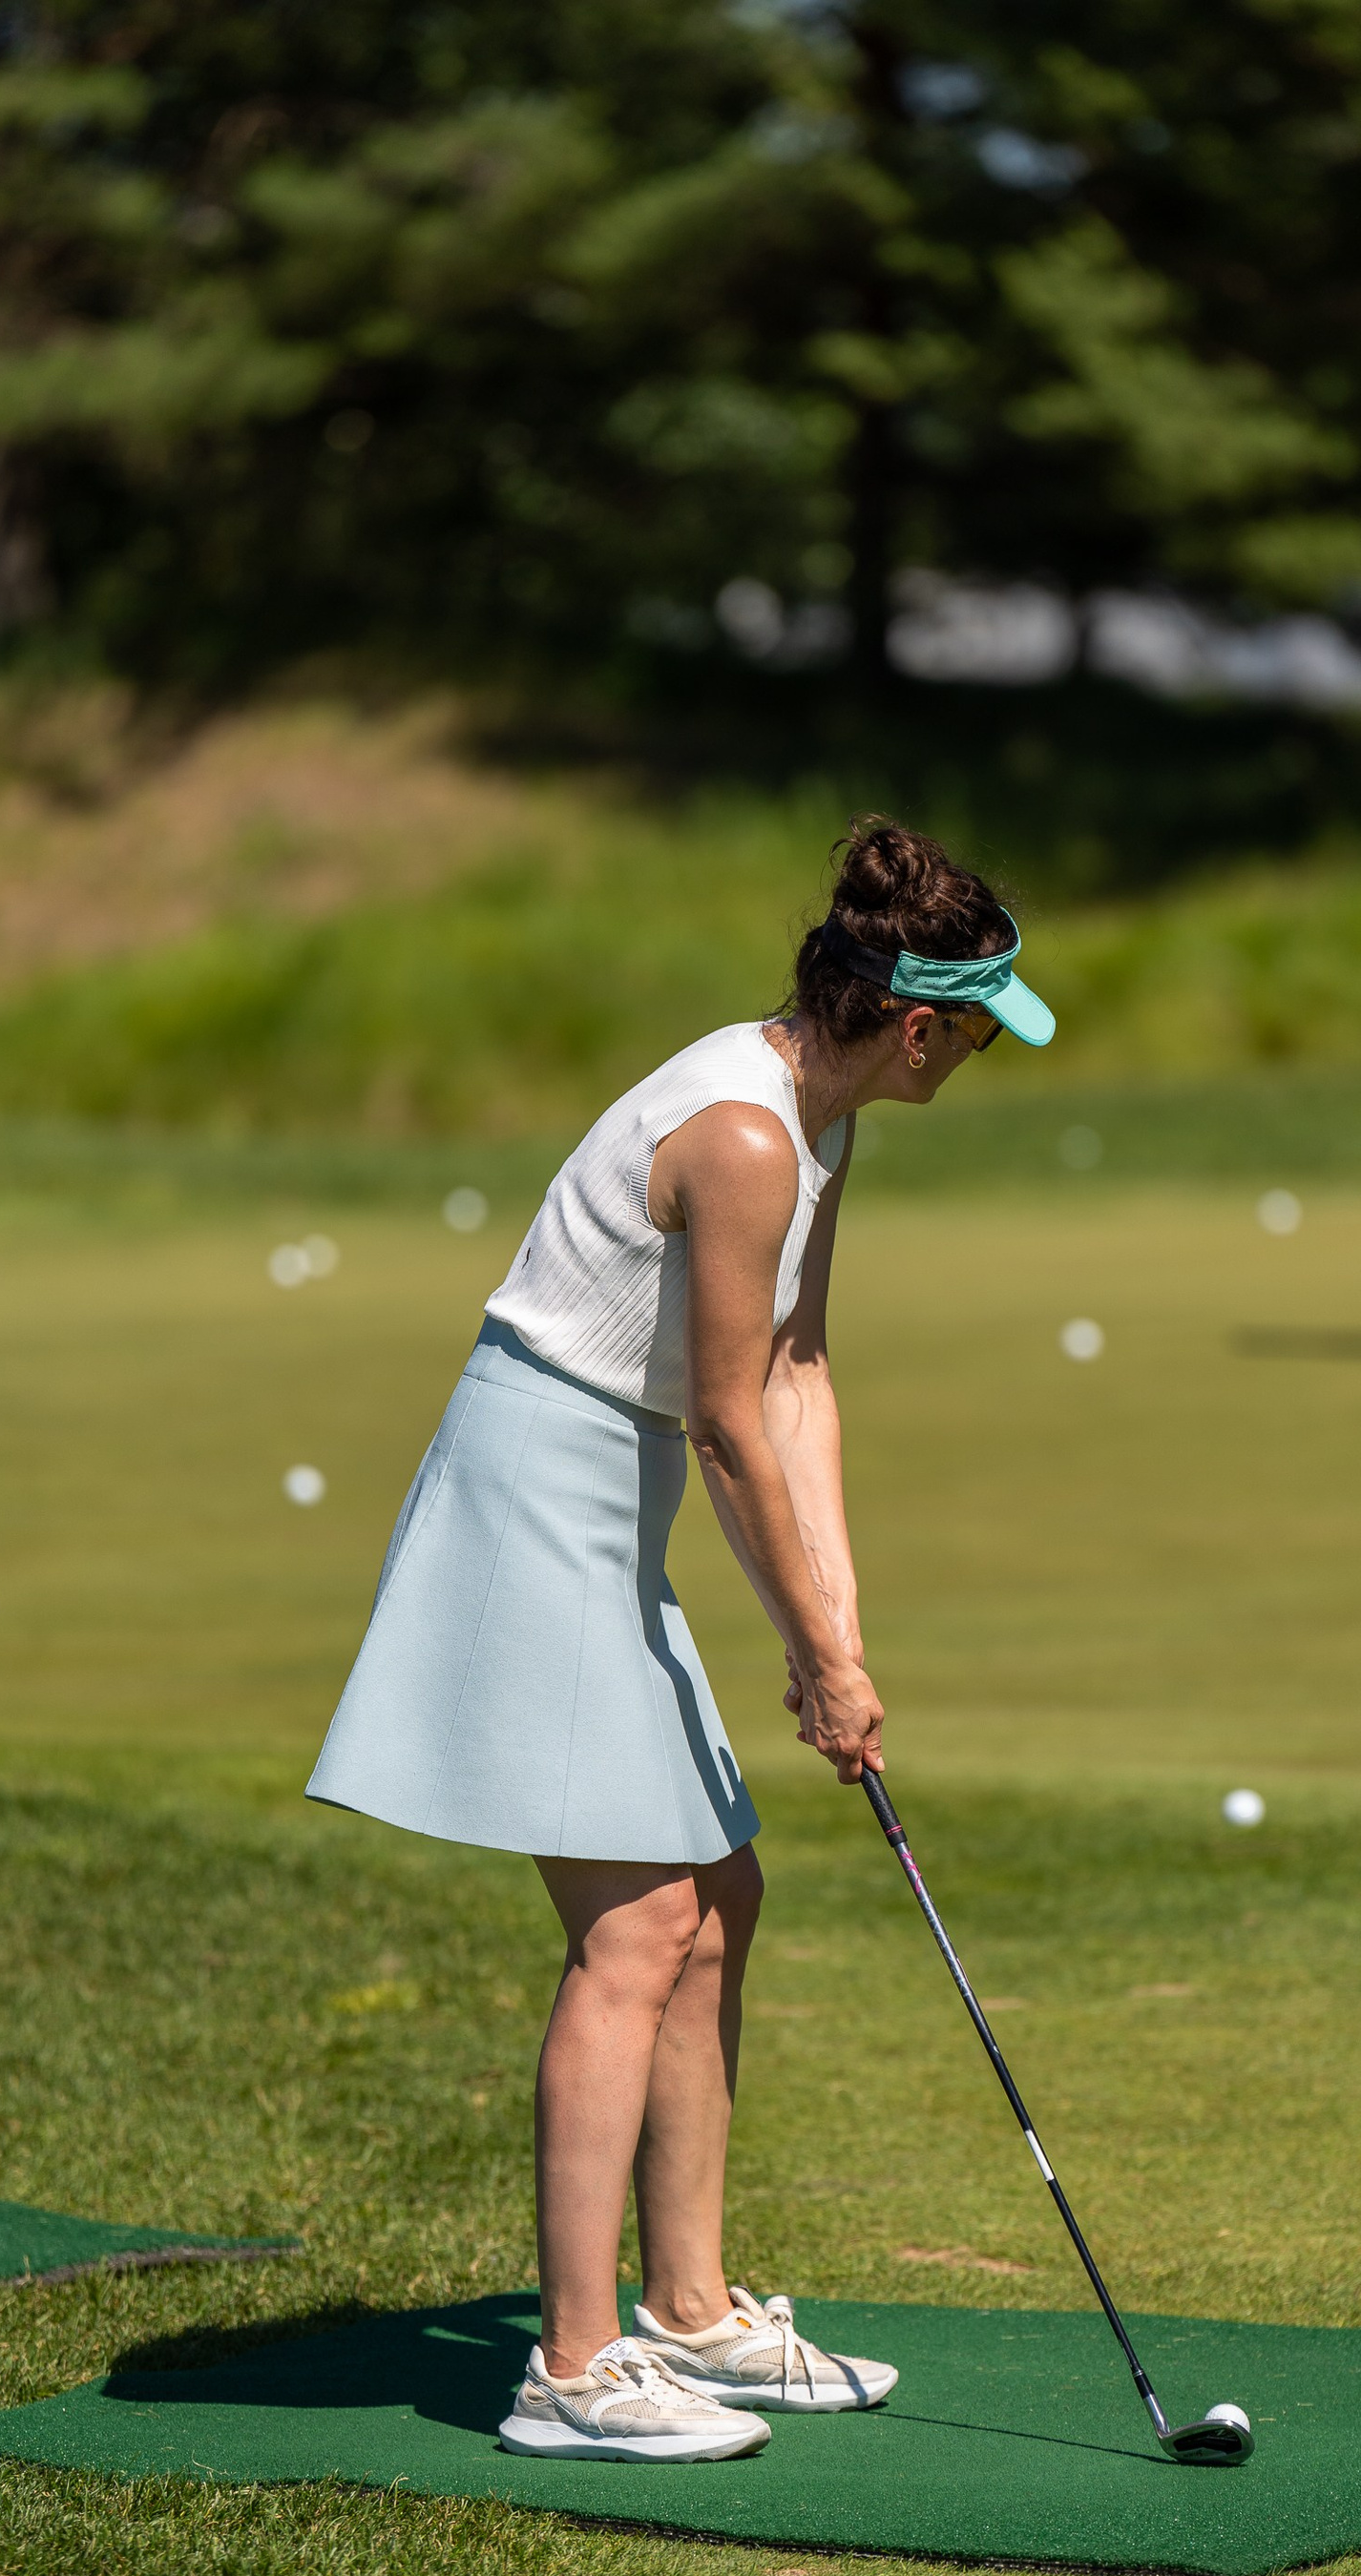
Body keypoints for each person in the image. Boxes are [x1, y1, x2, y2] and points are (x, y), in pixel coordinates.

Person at [307, 819, 1055, 2462]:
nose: (984, 1055)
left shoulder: (821, 1123)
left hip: (606, 1487)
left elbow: (797, 1372)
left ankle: (693, 2313)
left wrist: (834, 1624)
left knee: (721, 1898)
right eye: (980, 1029)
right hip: (533, 1490)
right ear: (914, 1024)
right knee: (640, 1926)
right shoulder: (744, 1136)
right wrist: (816, 1658)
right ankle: (573, 2371)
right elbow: (723, 1420)